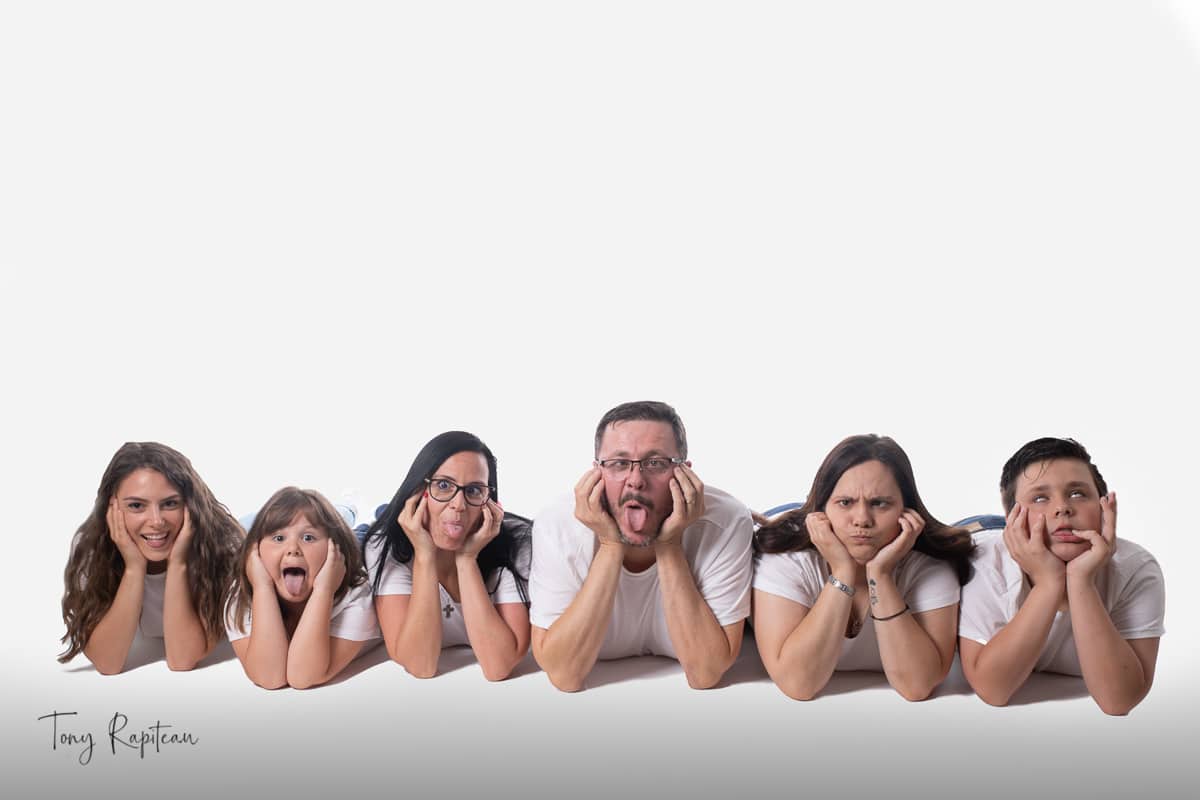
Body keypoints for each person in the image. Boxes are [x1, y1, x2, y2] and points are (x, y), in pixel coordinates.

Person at [529, 401, 753, 692]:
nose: (636, 481)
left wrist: (670, 543)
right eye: (619, 463)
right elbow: (564, 675)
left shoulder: (728, 521)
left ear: (685, 473)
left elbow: (705, 673)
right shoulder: (556, 524)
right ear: (597, 472)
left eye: (656, 463)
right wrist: (610, 545)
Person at [752, 435, 973, 701]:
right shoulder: (786, 558)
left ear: (907, 510)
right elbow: (799, 684)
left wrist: (880, 575)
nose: (862, 520)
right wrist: (842, 571)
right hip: (792, 526)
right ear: (822, 509)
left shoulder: (931, 566)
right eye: (845, 502)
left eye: (879, 503)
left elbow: (917, 686)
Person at [958, 437, 1165, 715]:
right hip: (977, 532)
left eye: (1078, 493)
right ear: (1011, 515)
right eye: (1040, 497)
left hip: (1045, 534)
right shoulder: (983, 561)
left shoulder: (1135, 568)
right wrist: (1049, 584)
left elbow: (1119, 701)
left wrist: (1080, 580)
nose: (1062, 508)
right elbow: (994, 690)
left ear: (1105, 508)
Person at [59, 442, 243, 673]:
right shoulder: (92, 548)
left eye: (170, 503)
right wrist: (134, 568)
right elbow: (107, 663)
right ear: (111, 508)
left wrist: (178, 563)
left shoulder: (225, 547)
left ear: (190, 505)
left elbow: (182, 660)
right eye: (136, 505)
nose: (156, 521)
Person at [363, 431, 531, 681]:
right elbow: (421, 665)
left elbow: (498, 666)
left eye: (474, 490)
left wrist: (466, 560)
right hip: (378, 531)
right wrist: (424, 555)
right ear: (420, 490)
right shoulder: (384, 547)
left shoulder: (517, 541)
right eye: (444, 485)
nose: (459, 505)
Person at [226, 487, 377, 689]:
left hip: (361, 554)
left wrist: (324, 590)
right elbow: (269, 677)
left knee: (366, 537)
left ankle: (362, 512)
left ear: (335, 551)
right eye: (279, 538)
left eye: (308, 538)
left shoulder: (357, 597)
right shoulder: (242, 593)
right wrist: (263, 588)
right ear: (256, 552)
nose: (293, 549)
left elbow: (302, 676)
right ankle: (347, 509)